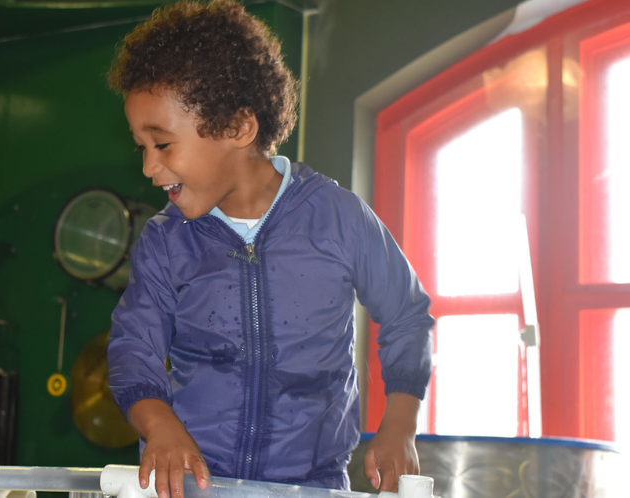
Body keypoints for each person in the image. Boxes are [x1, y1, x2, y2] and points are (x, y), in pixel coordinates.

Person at [105, 1, 433, 497]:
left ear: (239, 128)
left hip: (314, 487)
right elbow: (134, 349)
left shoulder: (339, 218)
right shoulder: (165, 240)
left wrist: (400, 424)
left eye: (164, 145)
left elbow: (408, 314)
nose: (150, 168)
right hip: (196, 485)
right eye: (141, 147)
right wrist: (160, 426)